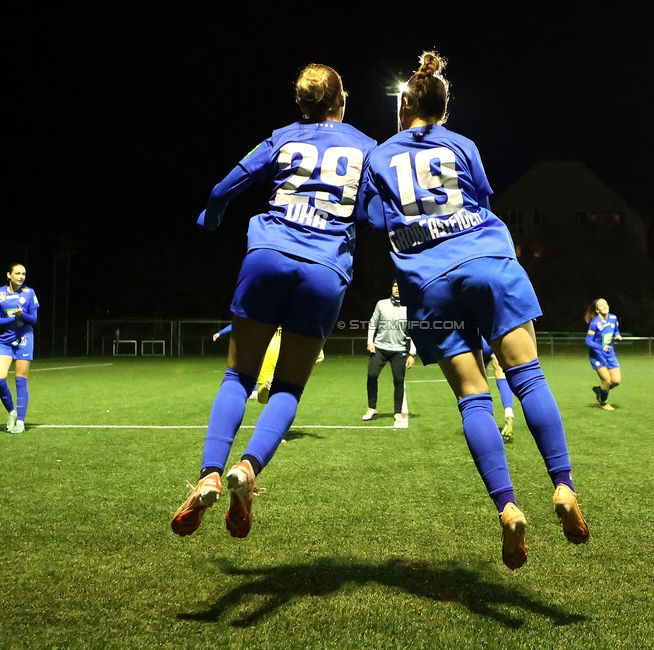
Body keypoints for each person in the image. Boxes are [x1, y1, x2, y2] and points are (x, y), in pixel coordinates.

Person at [359, 52, 588, 570]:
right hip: (487, 262)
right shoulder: (462, 144)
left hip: (429, 282)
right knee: (527, 378)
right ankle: (563, 486)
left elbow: (373, 219)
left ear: (404, 105)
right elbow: (479, 198)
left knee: (472, 398)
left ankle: (507, 507)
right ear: (442, 109)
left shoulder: (378, 156)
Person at [172, 63, 376, 538]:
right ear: (341, 99)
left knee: (238, 377)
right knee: (287, 389)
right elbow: (375, 216)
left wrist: (213, 216)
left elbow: (223, 189)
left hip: (267, 257)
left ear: (300, 103)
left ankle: (208, 474)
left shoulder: (281, 137)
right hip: (324, 270)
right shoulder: (366, 147)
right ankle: (247, 469)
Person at [0, 263, 39, 434]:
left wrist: (22, 315)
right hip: (5, 340)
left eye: (24, 273)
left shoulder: (29, 293)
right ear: (9, 275)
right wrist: (13, 318)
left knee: (20, 380)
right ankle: (12, 412)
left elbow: (33, 319)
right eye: (17, 273)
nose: (21, 276)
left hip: (24, 338)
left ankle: (21, 421)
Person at [363, 281, 416, 424]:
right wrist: (370, 341)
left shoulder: (408, 307)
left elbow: (414, 332)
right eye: (394, 286)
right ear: (391, 288)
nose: (397, 289)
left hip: (399, 351)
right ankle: (371, 407)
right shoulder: (382, 304)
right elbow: (373, 322)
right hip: (380, 347)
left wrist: (412, 353)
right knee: (371, 375)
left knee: (399, 381)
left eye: (400, 286)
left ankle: (397, 412)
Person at [584, 299, 622, 411]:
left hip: (610, 354)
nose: (605, 306)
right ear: (597, 310)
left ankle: (599, 390)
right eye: (601, 305)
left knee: (616, 381)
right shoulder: (595, 323)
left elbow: (616, 331)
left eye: (606, 304)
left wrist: (617, 335)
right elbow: (588, 341)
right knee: (607, 380)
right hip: (597, 355)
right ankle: (604, 403)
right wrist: (601, 347)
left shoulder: (614, 318)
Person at [481, 337, 516, 441]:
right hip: (495, 338)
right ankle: (508, 410)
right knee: (501, 372)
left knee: (479, 380)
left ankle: (484, 418)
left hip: (479, 341)